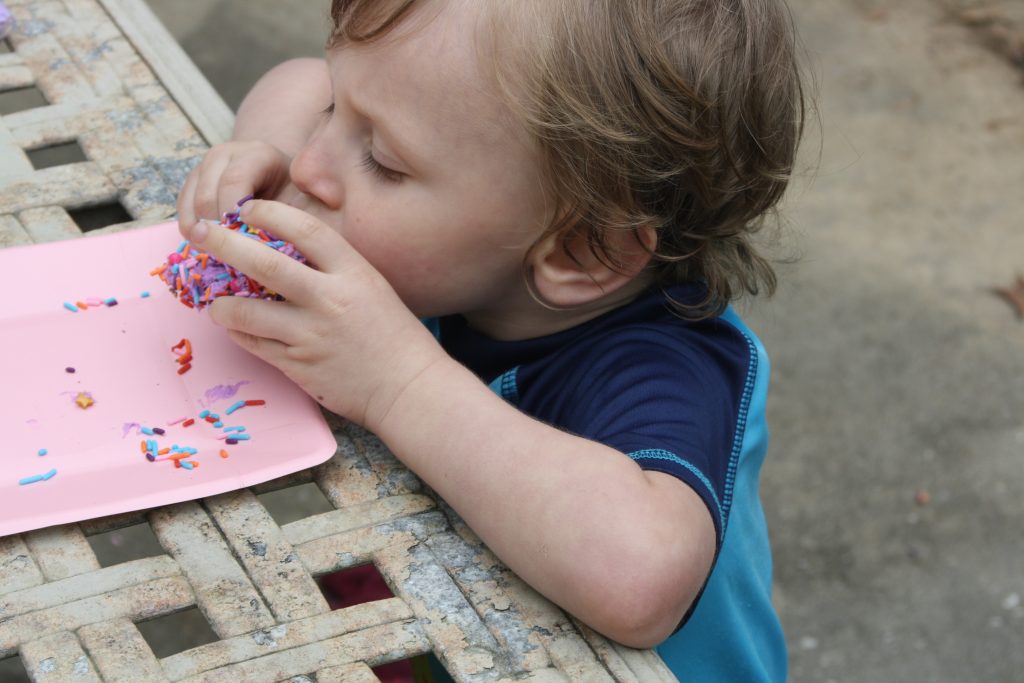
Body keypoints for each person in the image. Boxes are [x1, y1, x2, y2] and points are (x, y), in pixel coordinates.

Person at [175, 0, 807, 680]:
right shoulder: (457, 250)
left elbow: (639, 576)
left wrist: (399, 382)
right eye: (337, 109)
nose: (311, 169)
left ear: (580, 254)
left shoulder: (668, 367)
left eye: (383, 161)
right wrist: (265, 149)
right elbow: (297, 80)